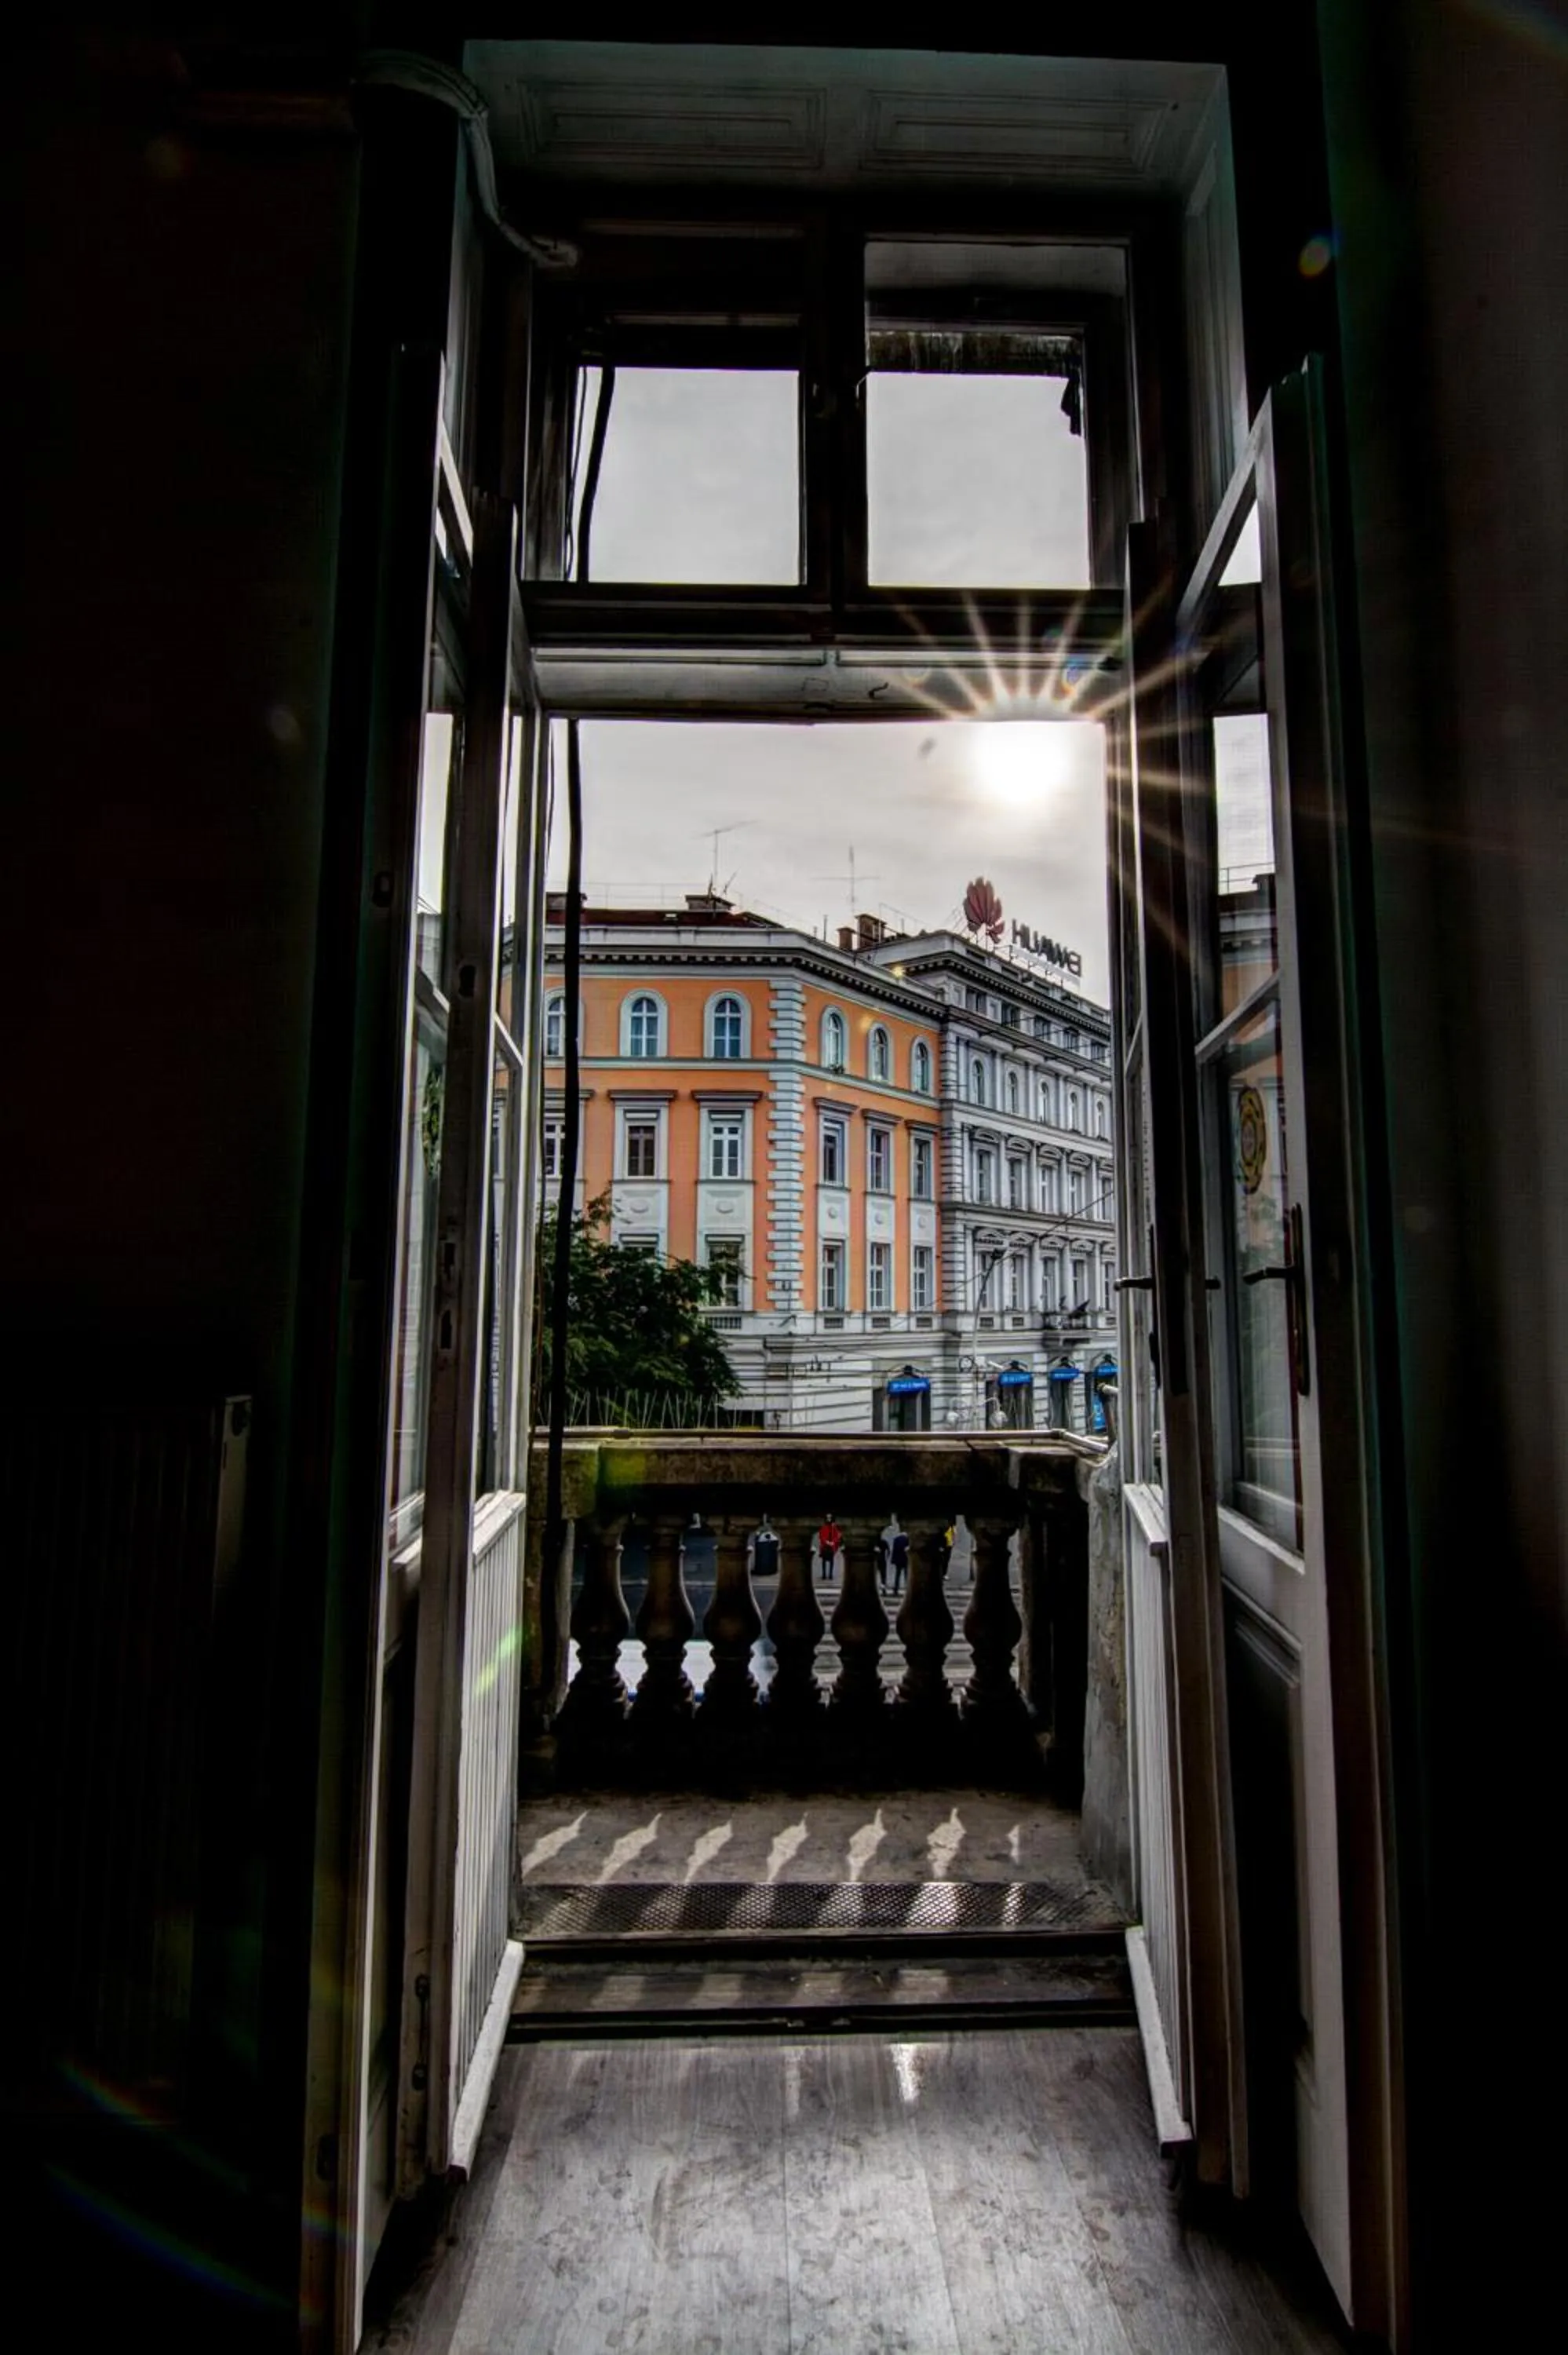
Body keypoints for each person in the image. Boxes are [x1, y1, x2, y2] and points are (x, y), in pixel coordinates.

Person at [815, 1512, 842, 1583]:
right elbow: (821, 1536)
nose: (829, 1519)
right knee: (824, 1561)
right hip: (825, 1545)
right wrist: (826, 1542)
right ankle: (824, 1574)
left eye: (830, 1518)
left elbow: (837, 1536)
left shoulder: (834, 1528)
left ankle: (830, 1575)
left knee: (831, 1561)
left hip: (831, 1546)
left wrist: (833, 1542)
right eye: (828, 1518)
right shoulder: (824, 1527)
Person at [887, 1524, 910, 1598]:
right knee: (907, 1575)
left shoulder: (896, 1539)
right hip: (906, 1559)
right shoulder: (908, 1539)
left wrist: (893, 1560)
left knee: (897, 1575)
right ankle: (908, 1588)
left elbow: (894, 1551)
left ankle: (896, 1589)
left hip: (898, 1560)